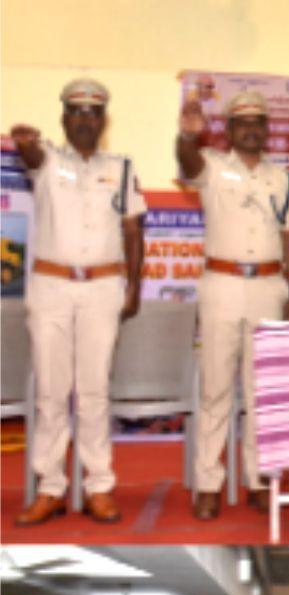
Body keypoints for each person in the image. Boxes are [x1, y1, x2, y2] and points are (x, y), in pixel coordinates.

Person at [12, 78, 146, 526]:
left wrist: (134, 286)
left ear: (103, 120)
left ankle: (99, 488)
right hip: (51, 288)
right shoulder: (48, 160)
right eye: (76, 112)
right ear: (64, 118)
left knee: (94, 392)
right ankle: (50, 488)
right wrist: (25, 144)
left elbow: (133, 230)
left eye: (93, 113)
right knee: (51, 393)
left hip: (102, 289)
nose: (85, 120)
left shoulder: (121, 168)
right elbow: (31, 157)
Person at [177, 91, 289, 520]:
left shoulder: (283, 179)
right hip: (222, 286)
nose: (251, 129)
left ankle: (259, 480)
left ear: (267, 130)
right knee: (215, 390)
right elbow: (188, 164)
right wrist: (187, 136)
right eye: (243, 122)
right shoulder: (212, 166)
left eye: (258, 122)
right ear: (230, 130)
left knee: (261, 394)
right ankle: (208, 484)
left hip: (269, 288)